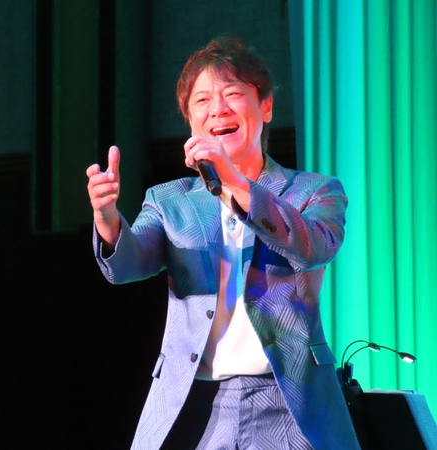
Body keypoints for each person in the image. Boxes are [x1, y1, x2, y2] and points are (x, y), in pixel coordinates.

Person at [86, 36, 360, 450]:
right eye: (202, 101)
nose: (217, 109)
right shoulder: (170, 200)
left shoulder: (314, 191)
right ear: (191, 123)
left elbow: (313, 248)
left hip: (289, 403)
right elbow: (128, 264)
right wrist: (107, 218)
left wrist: (235, 182)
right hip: (196, 402)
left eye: (232, 94)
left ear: (265, 107)